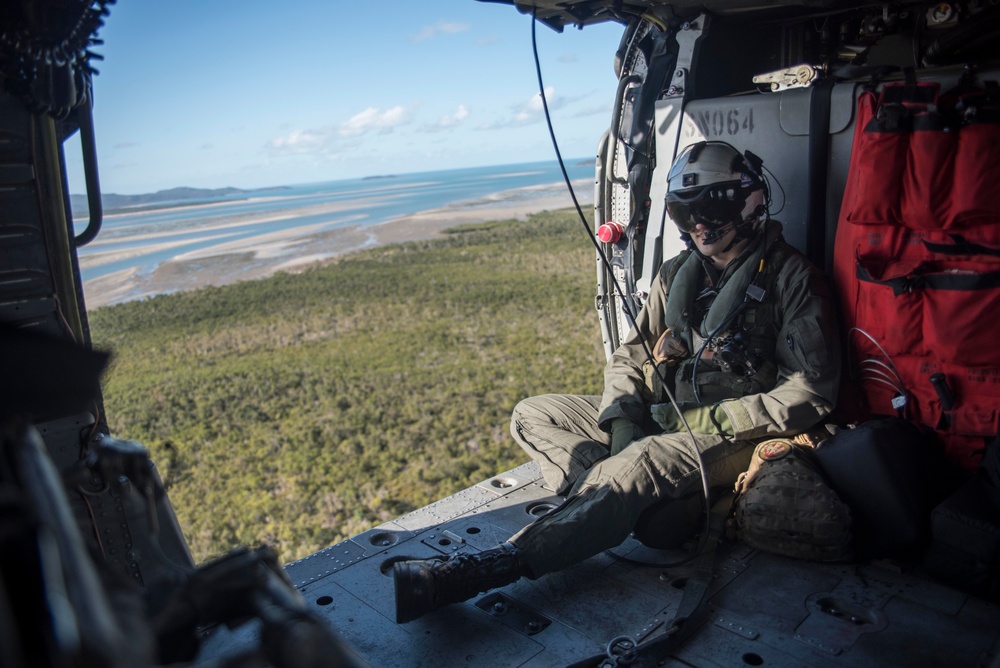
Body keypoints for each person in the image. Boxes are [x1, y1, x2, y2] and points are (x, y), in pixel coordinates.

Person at [393, 140, 842, 623]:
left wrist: (709, 418)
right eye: (685, 211)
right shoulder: (676, 275)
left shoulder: (791, 279)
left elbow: (811, 393)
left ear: (750, 202)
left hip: (733, 428)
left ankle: (487, 568)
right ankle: (613, 494)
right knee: (534, 413)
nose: (698, 224)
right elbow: (632, 354)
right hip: (662, 411)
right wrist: (622, 419)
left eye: (712, 206)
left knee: (643, 468)